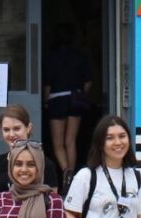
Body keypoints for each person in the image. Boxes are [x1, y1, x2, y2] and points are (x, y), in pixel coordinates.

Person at [44, 24, 93, 181]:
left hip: (56, 99)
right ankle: (73, 176)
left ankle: (66, 172)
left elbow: (47, 84)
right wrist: (81, 94)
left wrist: (46, 102)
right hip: (75, 99)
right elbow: (88, 82)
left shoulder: (51, 57)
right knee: (70, 140)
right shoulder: (80, 55)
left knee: (57, 143)